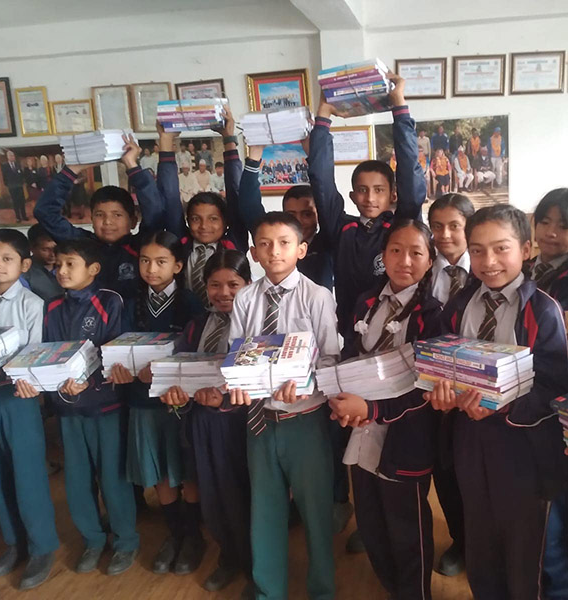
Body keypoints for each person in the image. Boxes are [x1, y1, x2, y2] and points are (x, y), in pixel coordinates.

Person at [425, 204, 568, 599]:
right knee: (481, 536)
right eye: (477, 250)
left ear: (525, 249)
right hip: (469, 441)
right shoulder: (460, 305)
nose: (488, 262)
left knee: (526, 546)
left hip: (522, 447)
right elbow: (445, 363)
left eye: (501, 248)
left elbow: (556, 389)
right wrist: (442, 394)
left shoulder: (543, 310)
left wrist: (503, 405)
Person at [228, 212, 340, 600]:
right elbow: (236, 353)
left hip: (305, 420)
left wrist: (306, 384)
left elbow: (330, 357)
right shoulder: (245, 298)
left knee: (315, 510)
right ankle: (267, 590)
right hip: (259, 419)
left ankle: (322, 589)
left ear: (301, 250)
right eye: (264, 244)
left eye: (284, 243)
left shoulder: (317, 296)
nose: (274, 251)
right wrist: (237, 384)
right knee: (265, 508)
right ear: (254, 252)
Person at [329, 220, 442, 599]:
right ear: (383, 255)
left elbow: (426, 387)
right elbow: (350, 355)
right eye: (396, 250)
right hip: (361, 426)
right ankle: (393, 588)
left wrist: (372, 408)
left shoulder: (433, 314)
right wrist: (340, 396)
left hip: (406, 435)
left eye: (416, 253)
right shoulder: (366, 302)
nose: (404, 261)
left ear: (430, 261)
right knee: (371, 521)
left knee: (407, 527)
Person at [17, 237, 140, 577]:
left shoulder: (110, 302)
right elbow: (45, 354)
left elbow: (116, 352)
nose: (62, 271)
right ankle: (93, 539)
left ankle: (126, 541)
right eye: (58, 264)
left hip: (104, 406)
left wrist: (91, 382)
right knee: (77, 480)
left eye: (70, 264)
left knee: (113, 478)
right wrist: (42, 382)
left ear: (94, 269)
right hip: (67, 408)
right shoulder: (52, 307)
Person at [108, 230, 205, 576]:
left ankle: (194, 536)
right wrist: (119, 370)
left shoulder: (191, 303)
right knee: (160, 469)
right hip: (142, 401)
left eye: (161, 261)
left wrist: (167, 369)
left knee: (186, 469)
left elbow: (198, 353)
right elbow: (118, 345)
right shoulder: (129, 301)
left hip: (178, 401)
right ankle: (174, 533)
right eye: (145, 261)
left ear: (177, 265)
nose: (151, 269)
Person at [307, 72, 425, 345]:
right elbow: (321, 180)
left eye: (379, 190)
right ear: (352, 195)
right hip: (351, 331)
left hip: (399, 332)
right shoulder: (341, 227)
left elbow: (410, 173)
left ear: (393, 194)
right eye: (362, 190)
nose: (370, 198)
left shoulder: (401, 226)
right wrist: (323, 117)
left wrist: (399, 107)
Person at [161, 250, 252, 592]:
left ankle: (256, 567)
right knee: (213, 496)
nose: (223, 293)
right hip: (200, 422)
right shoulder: (197, 325)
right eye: (215, 285)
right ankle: (229, 556)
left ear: (248, 284)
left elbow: (262, 378)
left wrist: (225, 399)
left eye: (233, 284)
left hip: (240, 424)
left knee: (244, 495)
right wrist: (176, 395)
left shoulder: (256, 325)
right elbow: (180, 371)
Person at [524, 187, 568, 600]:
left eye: (564, 225)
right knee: (528, 511)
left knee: (556, 517)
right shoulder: (523, 269)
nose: (551, 232)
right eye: (545, 221)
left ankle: (561, 592)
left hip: (560, 413)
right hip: (523, 405)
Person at [0, 229, 58, 590]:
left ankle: (41, 546)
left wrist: (2, 371)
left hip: (17, 396)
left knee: (27, 473)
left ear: (24, 265)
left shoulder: (32, 304)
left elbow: (35, 354)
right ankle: (15, 543)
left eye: (6, 259)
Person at [34, 135, 166, 303]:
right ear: (91, 218)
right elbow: (45, 212)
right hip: (89, 317)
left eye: (117, 215)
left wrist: (132, 165)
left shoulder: (142, 246)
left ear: (133, 221)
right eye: (99, 215)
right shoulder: (81, 245)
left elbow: (154, 211)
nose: (107, 222)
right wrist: (73, 170)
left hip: (132, 319)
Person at [427, 193, 475, 577]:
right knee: (443, 470)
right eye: (437, 226)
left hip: (477, 390)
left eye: (454, 226)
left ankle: (482, 543)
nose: (444, 235)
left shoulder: (488, 268)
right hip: (432, 389)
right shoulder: (421, 268)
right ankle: (461, 540)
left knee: (475, 472)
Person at [156, 112, 244, 308]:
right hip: (186, 319)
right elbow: (170, 197)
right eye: (196, 219)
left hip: (230, 317)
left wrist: (228, 138)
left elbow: (235, 191)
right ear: (187, 221)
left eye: (213, 219)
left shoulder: (234, 243)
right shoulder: (181, 243)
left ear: (226, 221)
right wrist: (166, 141)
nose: (204, 226)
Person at [240, 145, 333, 291]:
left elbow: (326, 189)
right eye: (291, 215)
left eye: (307, 214)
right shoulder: (273, 240)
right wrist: (253, 159)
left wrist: (314, 151)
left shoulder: (329, 241)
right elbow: (249, 206)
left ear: (318, 215)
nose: (299, 221)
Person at [23, 224, 64, 302]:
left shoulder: (66, 266)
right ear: (31, 248)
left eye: (55, 248)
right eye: (45, 249)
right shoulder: (24, 272)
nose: (52, 254)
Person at [2, 150, 28, 222]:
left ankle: (24, 216)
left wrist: (22, 182)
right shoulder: (5, 166)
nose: (13, 157)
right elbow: (4, 177)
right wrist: (8, 184)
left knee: (22, 201)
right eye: (11, 156)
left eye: (13, 156)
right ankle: (18, 217)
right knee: (15, 202)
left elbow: (21, 175)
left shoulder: (17, 164)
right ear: (8, 157)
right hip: (12, 187)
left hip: (19, 186)